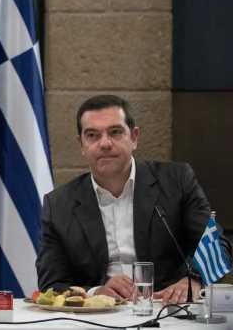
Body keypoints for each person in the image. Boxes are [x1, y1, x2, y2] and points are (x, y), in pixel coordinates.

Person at [36, 95, 228, 305]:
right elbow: (51, 284)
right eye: (92, 135)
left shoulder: (177, 181)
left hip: (167, 307)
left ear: (134, 138)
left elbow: (217, 247)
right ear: (81, 145)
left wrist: (194, 280)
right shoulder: (58, 205)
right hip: (98, 314)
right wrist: (96, 292)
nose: (105, 143)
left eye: (115, 132)